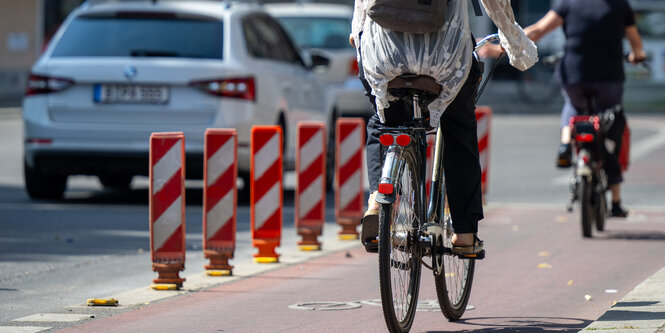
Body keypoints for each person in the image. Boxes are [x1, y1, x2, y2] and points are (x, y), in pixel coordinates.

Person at [350, 0, 537, 254]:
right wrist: (514, 40)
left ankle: (376, 200)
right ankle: (464, 233)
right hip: (444, 59)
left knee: (383, 123)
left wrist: (357, 32)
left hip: (384, 57)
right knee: (459, 127)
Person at [480, 0, 646, 217]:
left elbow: (538, 30)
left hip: (574, 74)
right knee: (613, 127)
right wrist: (637, 54)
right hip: (609, 78)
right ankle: (615, 200)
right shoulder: (619, 5)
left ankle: (566, 143)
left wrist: (502, 48)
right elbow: (635, 42)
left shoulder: (570, 3)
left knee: (573, 105)